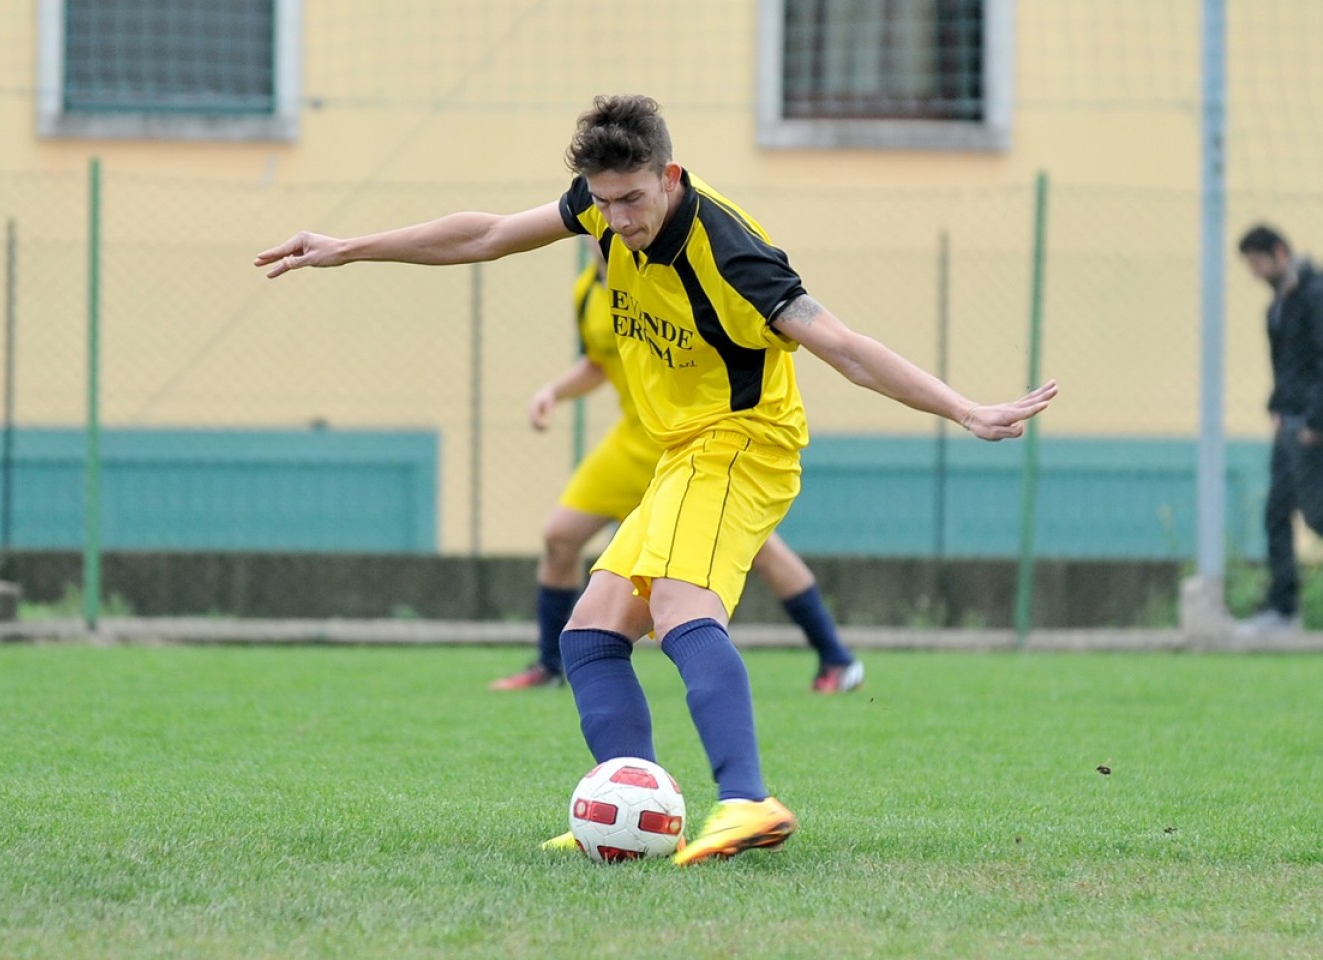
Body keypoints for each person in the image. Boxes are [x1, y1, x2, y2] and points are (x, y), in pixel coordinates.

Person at [256, 94, 1056, 865]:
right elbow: (490, 234)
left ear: (671, 177)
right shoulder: (602, 209)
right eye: (604, 204)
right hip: (681, 451)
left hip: (746, 441)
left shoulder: (731, 250)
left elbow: (842, 346)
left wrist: (964, 409)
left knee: (678, 606)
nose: (620, 221)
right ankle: (631, 804)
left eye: (634, 200)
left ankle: (748, 800)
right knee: (591, 633)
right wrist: (349, 247)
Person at [491, 240, 864, 694]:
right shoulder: (587, 289)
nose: (607, 221)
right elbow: (599, 362)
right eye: (597, 209)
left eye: (622, 202)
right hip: (631, 442)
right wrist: (553, 391)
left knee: (762, 550)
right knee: (559, 537)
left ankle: (836, 659)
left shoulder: (670, 274)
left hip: (691, 439)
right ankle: (551, 665)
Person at [1236, 224, 1323, 634]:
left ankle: (1283, 609)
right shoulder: (1279, 304)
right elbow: (1288, 369)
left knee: (1315, 517)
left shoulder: (1321, 294)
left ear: (1279, 252)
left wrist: (1315, 421)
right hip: (1290, 422)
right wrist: (1277, 410)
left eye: (1258, 262)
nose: (1254, 273)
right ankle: (1282, 610)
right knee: (1276, 513)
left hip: (1318, 424)